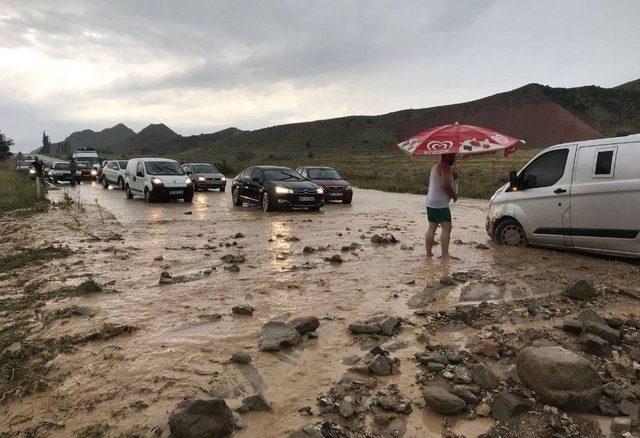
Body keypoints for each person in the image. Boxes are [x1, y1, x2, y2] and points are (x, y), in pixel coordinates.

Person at [425, 153, 458, 258]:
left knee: (432, 227)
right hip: (440, 203)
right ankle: (445, 254)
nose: (454, 158)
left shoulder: (436, 166)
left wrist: (453, 177)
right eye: (452, 156)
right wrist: (454, 196)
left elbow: (439, 182)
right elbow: (446, 185)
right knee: (447, 227)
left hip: (431, 201)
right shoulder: (445, 166)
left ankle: (428, 253)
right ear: (445, 156)